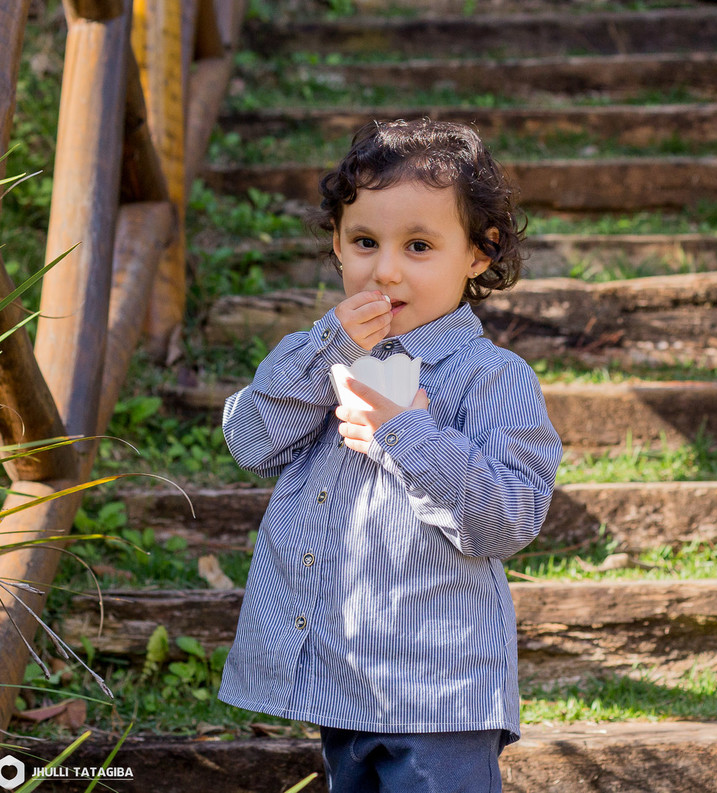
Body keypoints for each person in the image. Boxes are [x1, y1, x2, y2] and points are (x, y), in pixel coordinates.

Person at [218, 118, 563, 793]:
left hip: (440, 692)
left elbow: (509, 517)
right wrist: (329, 349)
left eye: (419, 246)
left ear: (480, 252)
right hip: (338, 678)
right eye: (365, 242)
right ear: (337, 243)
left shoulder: (492, 378)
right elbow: (249, 440)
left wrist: (404, 430)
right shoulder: (321, 358)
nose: (386, 270)